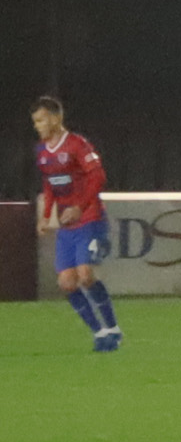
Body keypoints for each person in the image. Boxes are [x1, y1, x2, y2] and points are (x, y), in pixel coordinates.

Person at [30, 96, 119, 353]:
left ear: (56, 118)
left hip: (89, 219)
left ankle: (113, 328)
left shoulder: (77, 145)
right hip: (67, 227)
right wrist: (46, 216)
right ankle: (100, 333)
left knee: (86, 275)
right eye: (35, 121)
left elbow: (98, 175)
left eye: (41, 120)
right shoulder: (42, 152)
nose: (38, 126)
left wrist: (79, 206)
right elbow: (49, 184)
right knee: (67, 283)